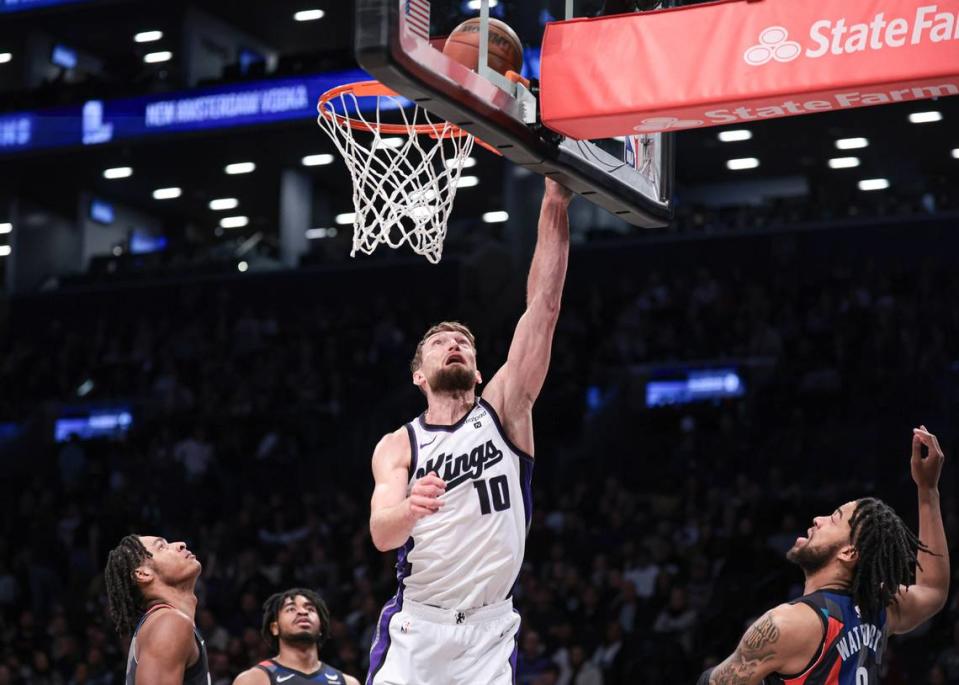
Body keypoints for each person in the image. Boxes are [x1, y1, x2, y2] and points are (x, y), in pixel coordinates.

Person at [366, 178, 574, 685]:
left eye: (464, 342)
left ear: (480, 371)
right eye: (440, 342)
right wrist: (411, 505)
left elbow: (543, 310)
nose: (454, 343)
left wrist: (553, 201)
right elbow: (381, 533)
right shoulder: (399, 444)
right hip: (417, 627)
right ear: (418, 374)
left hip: (489, 631)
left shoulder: (504, 409)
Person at [701, 426, 949, 685]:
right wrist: (928, 491)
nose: (818, 519)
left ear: (849, 552)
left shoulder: (787, 623)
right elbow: (932, 590)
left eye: (834, 519)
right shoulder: (879, 608)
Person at [104, 535, 208, 685]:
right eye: (161, 547)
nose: (181, 544)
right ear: (144, 574)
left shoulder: (162, 622)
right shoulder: (169, 624)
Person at [233, 588, 359, 685]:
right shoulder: (254, 680)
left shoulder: (348, 682)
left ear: (321, 627)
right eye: (291, 609)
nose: (303, 612)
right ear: (275, 628)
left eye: (310, 609)